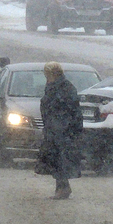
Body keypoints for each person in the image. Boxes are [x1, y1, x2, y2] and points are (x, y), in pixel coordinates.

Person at [36, 62, 83, 200]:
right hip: (55, 129)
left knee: (60, 159)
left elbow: (70, 110)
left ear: (52, 74)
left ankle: (63, 188)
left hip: (62, 131)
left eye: (47, 74)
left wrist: (63, 127)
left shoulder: (64, 88)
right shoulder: (55, 87)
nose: (46, 77)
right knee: (56, 159)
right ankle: (62, 187)